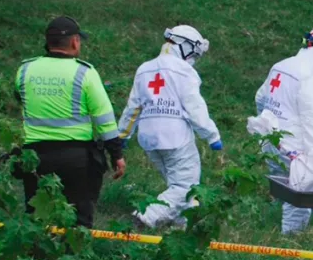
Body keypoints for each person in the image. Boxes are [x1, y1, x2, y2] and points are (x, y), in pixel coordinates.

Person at [14, 17, 126, 228]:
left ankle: (37, 257)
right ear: (75, 42)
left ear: (48, 42)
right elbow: (105, 120)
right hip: (76, 159)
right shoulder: (85, 72)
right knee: (78, 217)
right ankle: (73, 258)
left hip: (34, 156)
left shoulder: (25, 70)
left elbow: (19, 98)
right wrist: (117, 155)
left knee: (37, 215)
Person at [117, 26, 221, 230]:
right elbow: (195, 107)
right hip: (175, 137)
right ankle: (144, 217)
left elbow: (133, 106)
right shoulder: (184, 71)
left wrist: (123, 135)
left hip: (149, 138)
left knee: (176, 185)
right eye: (194, 54)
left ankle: (182, 228)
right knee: (186, 188)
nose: (193, 60)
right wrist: (212, 135)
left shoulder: (144, 68)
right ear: (184, 46)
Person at [247, 27, 313, 235]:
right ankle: (292, 244)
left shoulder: (281, 65)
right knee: (300, 199)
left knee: (287, 194)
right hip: (294, 148)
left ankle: (284, 237)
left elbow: (260, 98)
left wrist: (267, 127)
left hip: (270, 142)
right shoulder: (309, 76)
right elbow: (310, 119)